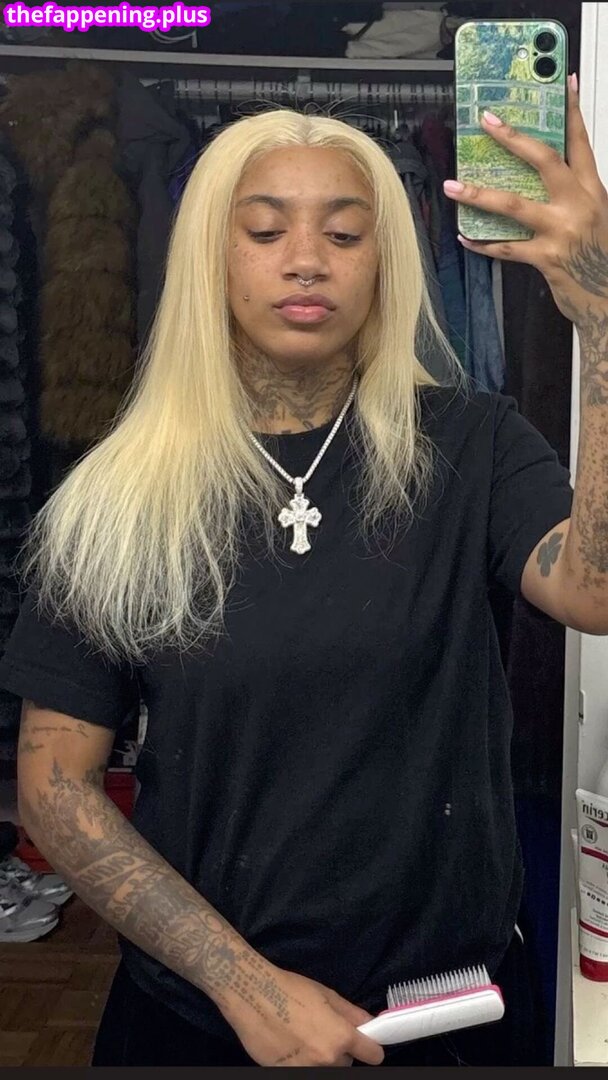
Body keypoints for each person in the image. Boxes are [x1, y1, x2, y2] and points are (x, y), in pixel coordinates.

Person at [0, 80, 607, 1067]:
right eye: (264, 229)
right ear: (211, 254)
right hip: (204, 1019)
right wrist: (244, 984)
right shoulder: (119, 495)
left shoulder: (471, 445)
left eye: (344, 232)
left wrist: (602, 315)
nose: (305, 259)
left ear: (384, 260)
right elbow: (56, 787)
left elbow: (594, 590)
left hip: (445, 1014)